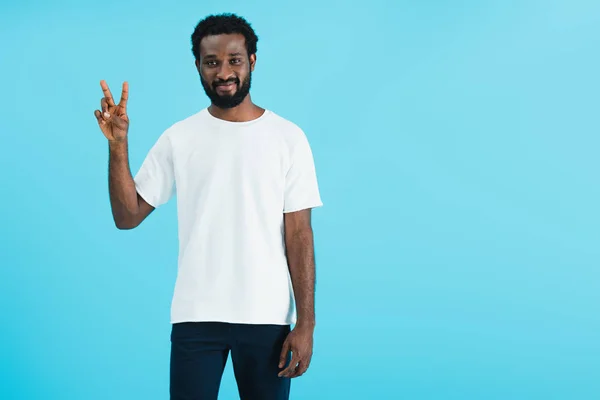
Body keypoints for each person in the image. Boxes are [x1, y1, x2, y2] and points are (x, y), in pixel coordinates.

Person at [93, 13, 323, 400]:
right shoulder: (179, 137)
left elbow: (299, 234)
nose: (223, 72)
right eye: (211, 62)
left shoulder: (288, 138)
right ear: (198, 66)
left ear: (252, 60)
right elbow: (127, 216)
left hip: (267, 317)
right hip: (195, 316)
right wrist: (118, 147)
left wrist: (307, 324)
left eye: (234, 59)